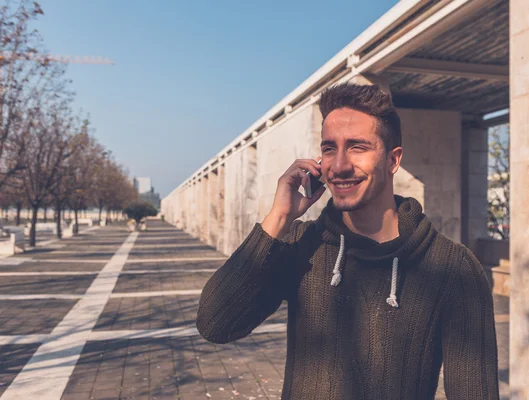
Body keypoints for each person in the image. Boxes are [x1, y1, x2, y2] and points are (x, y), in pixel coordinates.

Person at [196, 83, 499, 399]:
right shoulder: (303, 245)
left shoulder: (453, 269)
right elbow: (215, 323)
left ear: (393, 161)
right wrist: (278, 219)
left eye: (357, 147)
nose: (338, 166)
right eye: (329, 149)